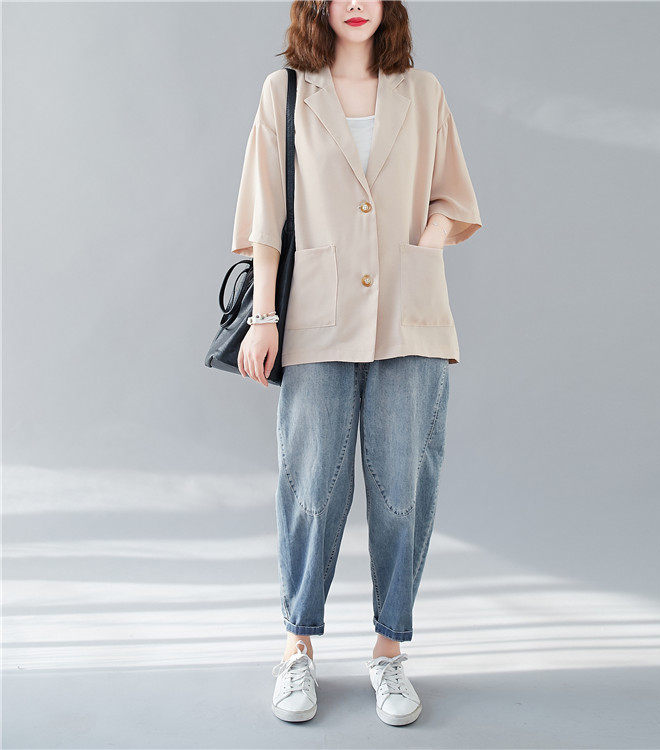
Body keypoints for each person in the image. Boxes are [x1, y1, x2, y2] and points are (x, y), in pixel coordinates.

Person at [230, 0, 482, 726]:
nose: (356, 3)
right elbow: (265, 215)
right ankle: (297, 648)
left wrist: (421, 248)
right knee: (311, 487)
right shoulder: (285, 91)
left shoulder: (423, 91)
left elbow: (455, 200)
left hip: (411, 315)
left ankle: (389, 651)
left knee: (404, 489)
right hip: (316, 313)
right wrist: (264, 317)